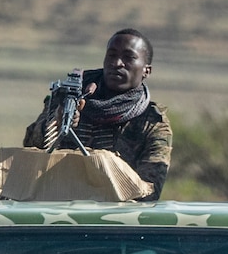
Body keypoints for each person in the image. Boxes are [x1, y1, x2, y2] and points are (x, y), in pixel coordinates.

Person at [23, 28, 173, 201]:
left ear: (147, 70)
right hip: (56, 206)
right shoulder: (69, 99)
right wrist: (56, 123)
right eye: (112, 55)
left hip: (113, 217)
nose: (117, 63)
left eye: (128, 57)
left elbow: (149, 190)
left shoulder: (152, 122)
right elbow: (30, 150)